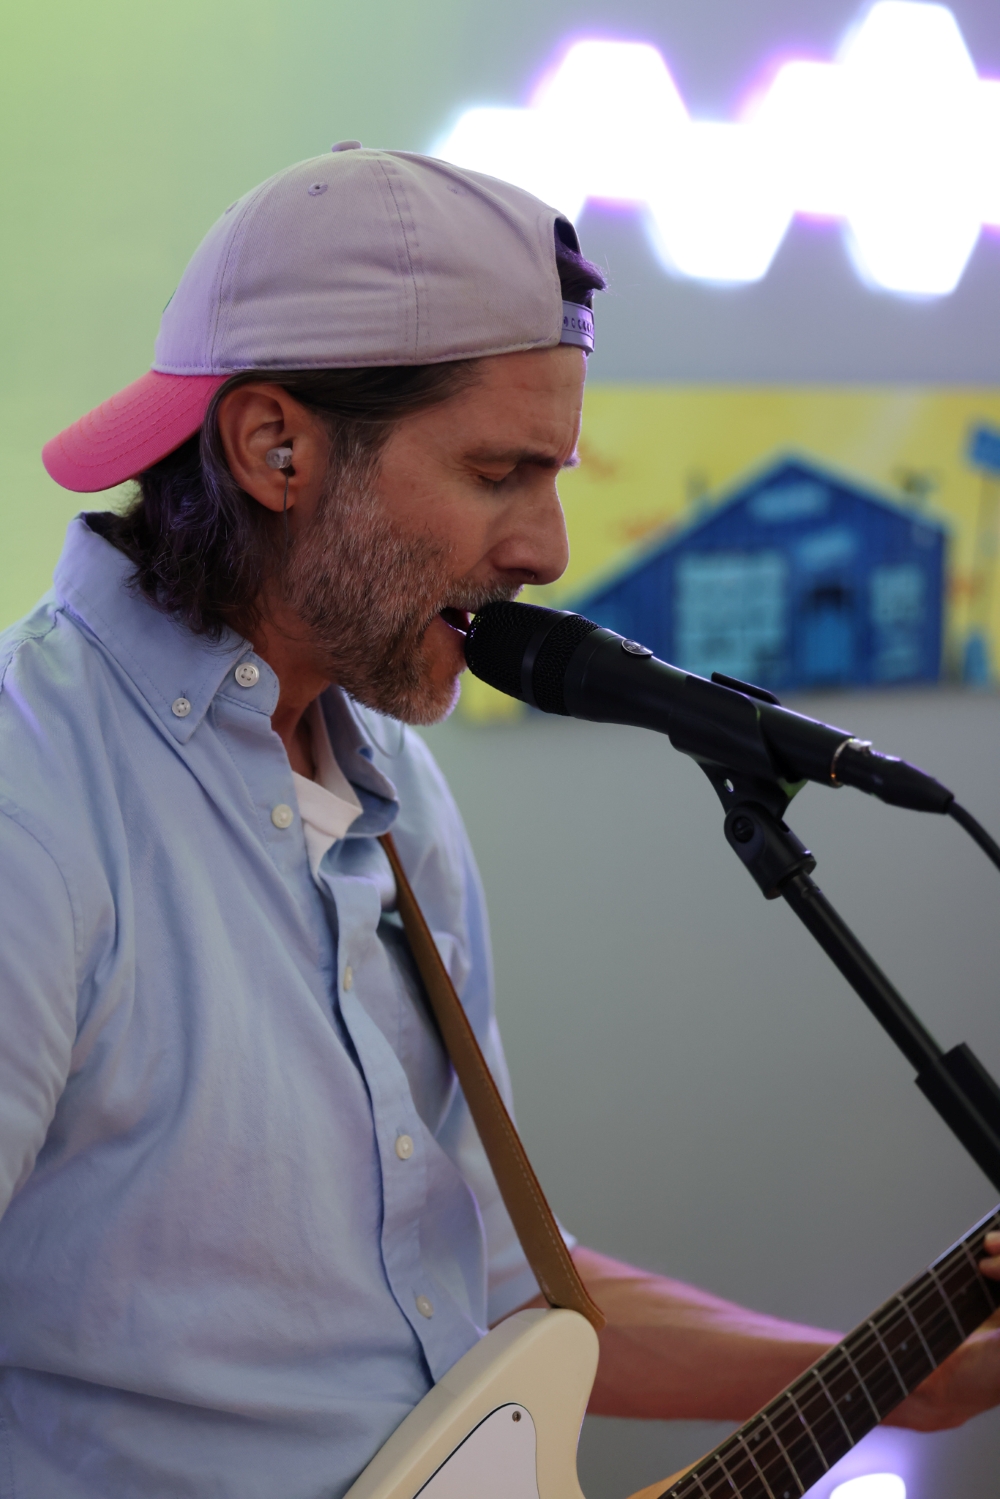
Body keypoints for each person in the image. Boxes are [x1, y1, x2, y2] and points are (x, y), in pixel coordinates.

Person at [2, 145, 999, 1499]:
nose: (548, 548)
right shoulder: (34, 794)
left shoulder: (394, 789)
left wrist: (902, 1374)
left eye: (556, 474)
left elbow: (472, 1281)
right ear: (273, 446)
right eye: (497, 472)